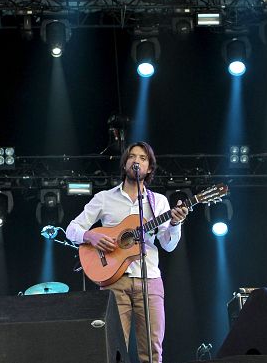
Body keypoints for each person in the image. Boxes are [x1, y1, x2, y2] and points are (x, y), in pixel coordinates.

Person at [66, 141, 188, 363]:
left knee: (152, 350)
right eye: (132, 156)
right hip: (114, 281)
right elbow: (72, 228)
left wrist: (175, 224)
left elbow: (168, 245)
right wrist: (91, 236)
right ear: (125, 164)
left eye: (143, 158)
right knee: (114, 348)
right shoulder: (104, 198)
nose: (137, 161)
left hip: (149, 281)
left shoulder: (157, 201)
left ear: (149, 168)